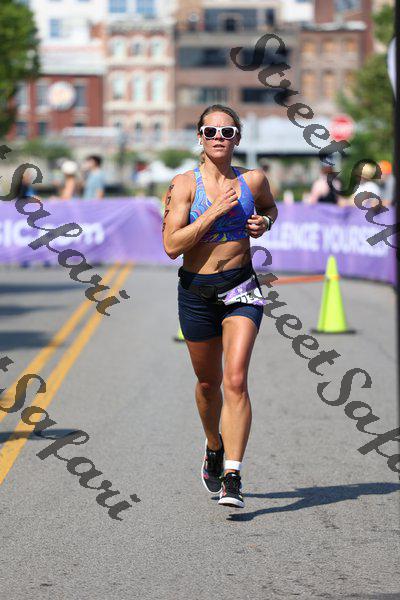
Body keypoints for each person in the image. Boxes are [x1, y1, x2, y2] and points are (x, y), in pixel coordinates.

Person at [162, 104, 277, 509]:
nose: (218, 138)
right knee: (208, 384)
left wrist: (265, 223)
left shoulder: (253, 180)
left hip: (240, 286)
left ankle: (232, 475)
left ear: (237, 138)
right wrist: (213, 213)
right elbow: (171, 246)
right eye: (210, 131)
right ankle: (214, 445)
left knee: (235, 380)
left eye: (227, 132)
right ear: (199, 137)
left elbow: (270, 208)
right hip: (196, 292)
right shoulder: (183, 185)